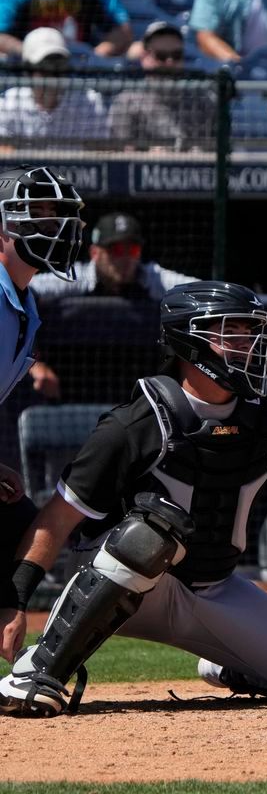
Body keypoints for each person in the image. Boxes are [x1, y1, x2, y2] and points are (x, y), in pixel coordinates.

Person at [0, 280, 267, 717]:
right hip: (116, 585)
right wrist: (14, 600)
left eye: (251, 332)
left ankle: (233, 668)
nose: (249, 345)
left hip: (213, 586)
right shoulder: (135, 422)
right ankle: (35, 673)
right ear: (189, 341)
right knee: (147, 535)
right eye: (231, 333)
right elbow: (57, 518)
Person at [0, 166, 85, 614]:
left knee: (22, 526)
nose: (51, 227)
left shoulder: (23, 300)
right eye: (36, 215)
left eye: (55, 216)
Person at [27, 211, 198, 401]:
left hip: (140, 390)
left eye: (132, 250)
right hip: (76, 388)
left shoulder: (152, 277)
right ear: (95, 253)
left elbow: (201, 290)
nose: (124, 259)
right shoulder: (77, 277)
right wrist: (35, 364)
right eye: (115, 250)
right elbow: (25, 288)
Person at [108, 21, 216, 152]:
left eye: (176, 56)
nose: (170, 62)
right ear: (144, 58)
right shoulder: (127, 103)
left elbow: (217, 152)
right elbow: (120, 158)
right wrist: (150, 157)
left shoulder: (203, 101)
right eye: (161, 56)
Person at [0, 27, 108, 146]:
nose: (53, 76)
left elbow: (100, 153)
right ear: (28, 70)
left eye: (59, 67)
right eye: (45, 68)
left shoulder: (89, 103)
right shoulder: (9, 104)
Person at [0, 0, 131, 58]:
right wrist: (33, 55)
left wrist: (94, 55)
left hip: (79, 72)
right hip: (29, 71)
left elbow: (122, 32)